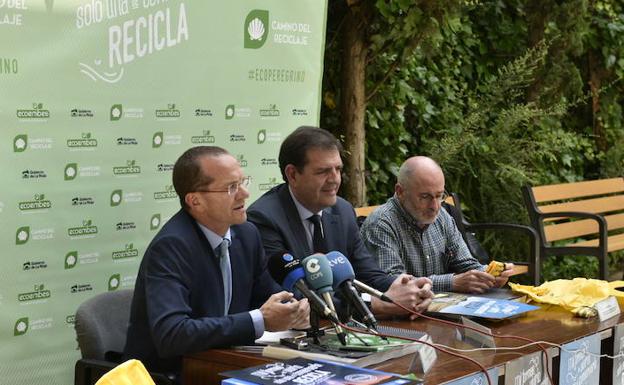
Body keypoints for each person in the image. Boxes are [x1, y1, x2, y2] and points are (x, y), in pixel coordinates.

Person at [124, 146, 309, 376]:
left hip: (227, 366)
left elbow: (267, 296)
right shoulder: (172, 247)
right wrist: (259, 319)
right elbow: (172, 335)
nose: (244, 194)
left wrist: (294, 310)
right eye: (231, 187)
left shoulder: (247, 234)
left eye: (243, 182)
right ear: (195, 201)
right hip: (174, 375)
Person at [247, 126, 433, 318]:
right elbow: (292, 300)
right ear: (292, 174)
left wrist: (409, 289)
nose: (335, 179)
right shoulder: (263, 220)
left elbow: (369, 275)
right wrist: (374, 307)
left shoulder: (342, 211)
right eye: (323, 171)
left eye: (338, 169)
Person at [360, 156, 514, 294]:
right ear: (400, 191)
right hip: (399, 318)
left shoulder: (441, 217)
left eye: (439, 196)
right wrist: (452, 282)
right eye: (425, 197)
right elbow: (395, 285)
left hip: (442, 310)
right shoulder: (381, 224)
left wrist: (489, 275)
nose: (434, 206)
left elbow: (466, 263)